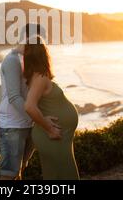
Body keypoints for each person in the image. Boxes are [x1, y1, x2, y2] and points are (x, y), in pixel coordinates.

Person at [0, 23, 60, 180]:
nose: (41, 43)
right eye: (38, 38)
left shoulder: (28, 59)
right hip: (13, 126)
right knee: (9, 175)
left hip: (29, 124)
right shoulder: (12, 61)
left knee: (20, 171)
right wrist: (39, 120)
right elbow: (14, 97)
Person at [24, 35, 80, 180]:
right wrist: (49, 128)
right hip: (53, 134)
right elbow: (29, 107)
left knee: (53, 175)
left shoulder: (35, 77)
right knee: (68, 175)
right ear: (44, 53)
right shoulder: (40, 78)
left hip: (55, 134)